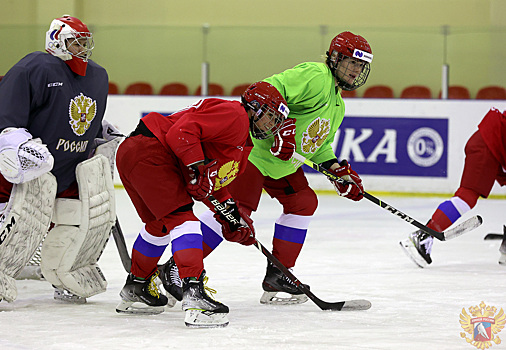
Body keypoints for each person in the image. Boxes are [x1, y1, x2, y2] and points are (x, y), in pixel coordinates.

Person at [158, 31, 373, 306]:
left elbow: (317, 147)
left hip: (281, 164)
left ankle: (279, 275)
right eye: (351, 62)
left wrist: (336, 170)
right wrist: (281, 126)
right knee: (235, 214)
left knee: (304, 202)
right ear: (334, 58)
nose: (356, 70)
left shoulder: (338, 105)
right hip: (253, 153)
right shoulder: (316, 76)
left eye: (361, 65)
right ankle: (175, 267)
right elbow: (269, 88)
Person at [0, 15, 120, 311]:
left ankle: (66, 276)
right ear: (57, 39)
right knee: (17, 217)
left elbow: (81, 114)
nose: (82, 48)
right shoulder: (33, 67)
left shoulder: (98, 75)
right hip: (26, 162)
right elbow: (3, 118)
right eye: (76, 41)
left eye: (86, 42)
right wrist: (17, 145)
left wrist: (100, 132)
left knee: (79, 218)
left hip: (68, 164)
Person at [114, 81, 289, 328]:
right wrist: (197, 167)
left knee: (159, 225)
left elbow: (212, 184)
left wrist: (232, 216)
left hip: (138, 152)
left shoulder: (240, 142)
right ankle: (194, 296)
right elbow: (181, 133)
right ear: (254, 107)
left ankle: (137, 285)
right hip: (152, 151)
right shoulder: (235, 114)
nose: (272, 125)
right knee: (183, 220)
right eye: (270, 116)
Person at [400, 107, 506, 267]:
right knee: (467, 197)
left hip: (492, 146)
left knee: (467, 197)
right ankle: (424, 236)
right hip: (489, 146)